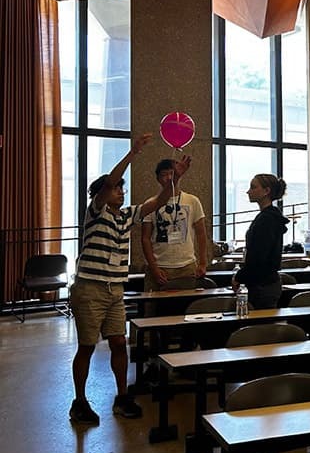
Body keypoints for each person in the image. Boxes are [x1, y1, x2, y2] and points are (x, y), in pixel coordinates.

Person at [69, 133, 191, 425]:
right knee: (86, 346)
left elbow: (157, 202)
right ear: (102, 196)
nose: (120, 193)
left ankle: (122, 397)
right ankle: (80, 401)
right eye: (116, 191)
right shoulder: (95, 213)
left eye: (122, 191)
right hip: (90, 288)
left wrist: (174, 181)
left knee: (119, 343)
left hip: (115, 289)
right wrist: (133, 153)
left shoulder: (125, 216)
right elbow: (109, 182)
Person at [141, 158, 207, 291]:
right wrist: (154, 268)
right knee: (154, 309)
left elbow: (201, 233)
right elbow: (145, 238)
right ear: (158, 179)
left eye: (172, 173)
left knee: (186, 307)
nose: (168, 178)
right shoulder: (151, 204)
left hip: (187, 266)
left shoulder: (192, 201)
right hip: (159, 266)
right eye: (163, 175)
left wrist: (203, 263)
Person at [232, 174, 288, 310]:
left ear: (266, 191)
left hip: (262, 284)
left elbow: (258, 256)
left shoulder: (266, 220)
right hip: (265, 281)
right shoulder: (270, 217)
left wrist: (239, 277)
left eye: (253, 187)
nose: (248, 191)